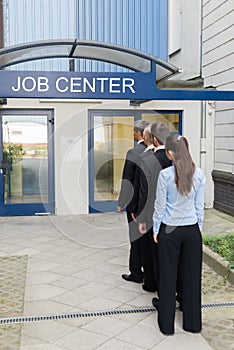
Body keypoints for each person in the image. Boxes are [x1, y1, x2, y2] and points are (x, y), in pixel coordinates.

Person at [152, 134, 205, 335]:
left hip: (169, 230)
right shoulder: (199, 174)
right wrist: (197, 230)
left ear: (172, 152)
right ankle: (192, 325)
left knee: (167, 277)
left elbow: (160, 207)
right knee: (192, 279)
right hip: (192, 231)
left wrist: (156, 229)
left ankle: (166, 326)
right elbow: (199, 208)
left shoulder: (165, 175)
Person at [134, 122, 171, 292]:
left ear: (154, 140)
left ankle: (151, 284)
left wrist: (142, 218)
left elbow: (144, 193)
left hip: (152, 214)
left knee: (152, 253)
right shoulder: (176, 159)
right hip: (173, 215)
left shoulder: (148, 160)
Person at [118, 119, 150, 283]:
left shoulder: (134, 152)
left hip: (135, 205)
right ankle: (150, 272)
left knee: (136, 238)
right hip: (151, 205)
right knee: (149, 240)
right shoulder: (158, 153)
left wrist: (121, 201)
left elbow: (127, 180)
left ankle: (136, 272)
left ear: (138, 133)